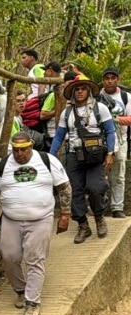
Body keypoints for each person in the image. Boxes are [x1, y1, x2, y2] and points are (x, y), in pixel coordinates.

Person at [0, 132, 72, 315]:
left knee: (35, 258)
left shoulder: (47, 161)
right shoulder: (3, 164)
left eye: (23, 149)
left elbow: (64, 187)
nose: (19, 154)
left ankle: (32, 302)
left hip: (41, 219)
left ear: (31, 146)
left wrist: (65, 214)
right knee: (9, 257)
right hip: (11, 219)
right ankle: (21, 290)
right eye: (16, 150)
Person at [50, 76, 116, 244]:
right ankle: (83, 225)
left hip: (95, 155)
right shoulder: (66, 113)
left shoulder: (100, 108)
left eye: (83, 89)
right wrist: (50, 157)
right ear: (73, 93)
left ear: (88, 91)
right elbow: (59, 137)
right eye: (77, 89)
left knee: (95, 187)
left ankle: (99, 217)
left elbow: (110, 131)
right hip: (74, 155)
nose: (79, 92)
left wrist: (110, 153)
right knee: (74, 191)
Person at [100, 67, 130, 218]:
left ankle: (117, 207)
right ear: (103, 81)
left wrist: (114, 120)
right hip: (100, 141)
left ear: (118, 80)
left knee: (118, 176)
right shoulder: (97, 96)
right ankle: (99, 206)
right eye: (107, 78)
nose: (110, 81)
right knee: (99, 174)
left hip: (121, 140)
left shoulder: (126, 97)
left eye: (113, 78)